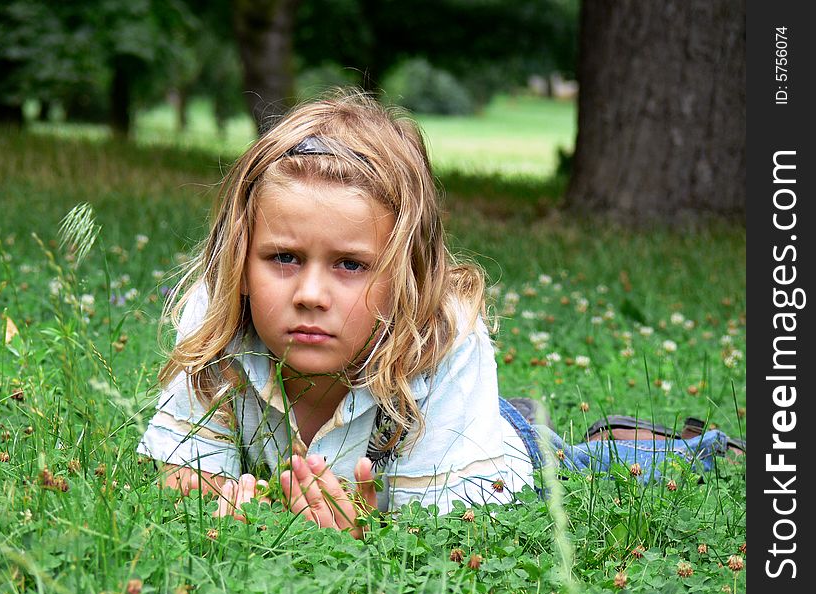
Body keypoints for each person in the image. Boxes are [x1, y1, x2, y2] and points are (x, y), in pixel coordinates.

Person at [137, 90, 741, 538]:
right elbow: (184, 477)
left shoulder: (441, 335)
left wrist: (369, 527)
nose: (311, 294)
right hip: (437, 437)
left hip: (480, 459)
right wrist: (232, 502)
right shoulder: (215, 321)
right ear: (240, 257)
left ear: (407, 275)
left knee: (579, 467)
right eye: (284, 257)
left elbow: (463, 527)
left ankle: (685, 446)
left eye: (350, 264)